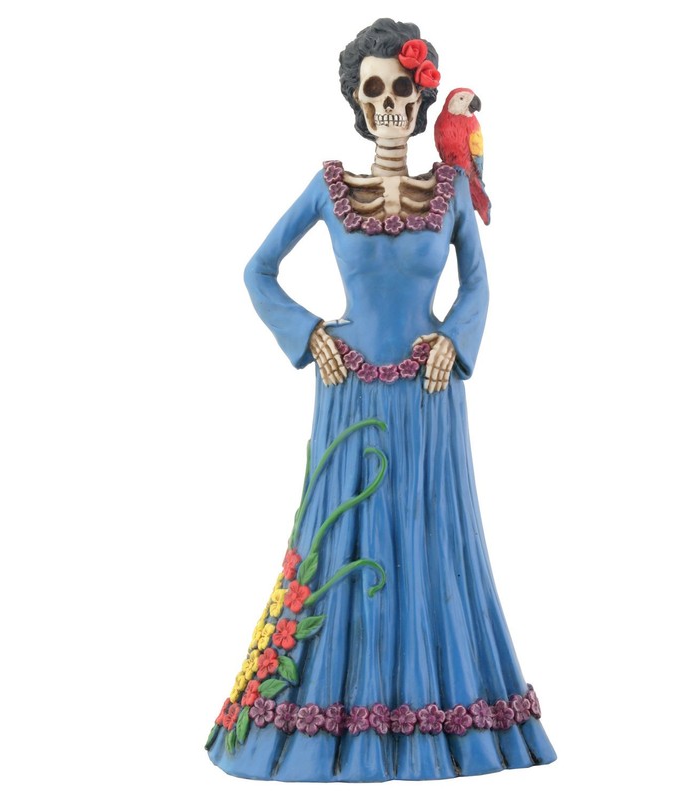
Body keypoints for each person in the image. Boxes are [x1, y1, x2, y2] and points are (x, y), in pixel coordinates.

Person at [205, 18, 556, 782]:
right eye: (375, 90)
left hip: (429, 398)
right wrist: (308, 334)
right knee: (340, 541)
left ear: (421, 99)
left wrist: (455, 341)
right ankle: (328, 715)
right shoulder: (330, 188)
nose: (390, 103)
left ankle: (444, 712)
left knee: (433, 535)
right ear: (358, 103)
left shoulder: (451, 191)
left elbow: (479, 285)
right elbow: (257, 271)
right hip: (350, 392)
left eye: (402, 88)